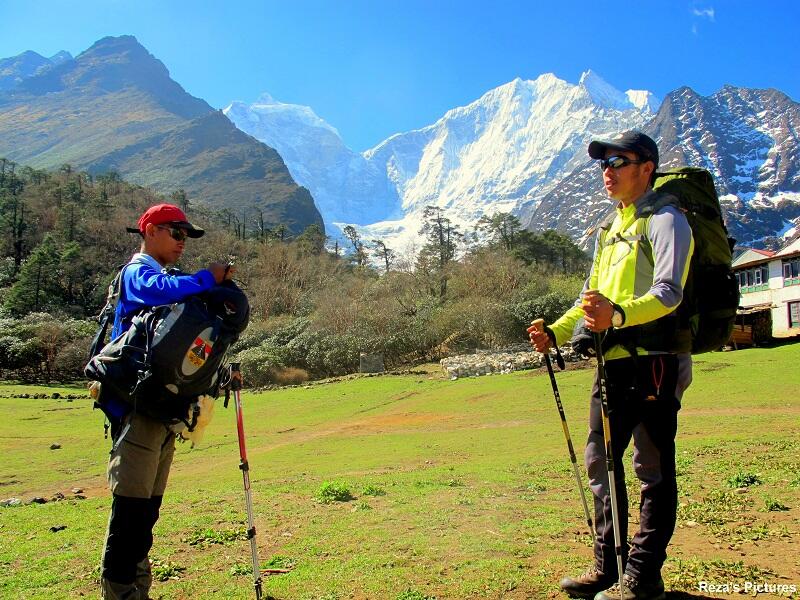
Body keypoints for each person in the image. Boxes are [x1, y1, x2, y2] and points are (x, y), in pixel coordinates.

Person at [528, 131, 694, 600]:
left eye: (619, 161)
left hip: (655, 362)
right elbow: (589, 302)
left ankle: (643, 576)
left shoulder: (666, 219)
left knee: (652, 469)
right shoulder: (610, 231)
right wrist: (555, 334)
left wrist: (617, 315)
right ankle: (608, 566)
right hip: (613, 365)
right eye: (604, 164)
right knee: (600, 463)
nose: (609, 170)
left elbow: (669, 292)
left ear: (647, 167)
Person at [101, 203, 233, 600]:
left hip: (162, 413)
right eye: (175, 233)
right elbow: (160, 291)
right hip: (138, 412)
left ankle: (138, 591)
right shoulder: (138, 272)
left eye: (185, 236)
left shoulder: (166, 276)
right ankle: (121, 593)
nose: (181, 242)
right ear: (151, 231)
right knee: (131, 514)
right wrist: (207, 278)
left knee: (146, 513)